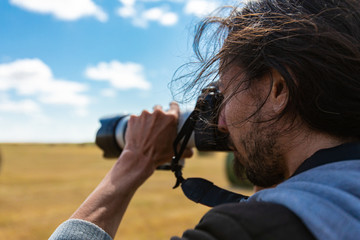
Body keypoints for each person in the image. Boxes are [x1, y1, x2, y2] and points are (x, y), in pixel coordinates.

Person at [49, 0, 360, 239]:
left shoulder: (247, 230)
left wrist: (133, 159)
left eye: (225, 94)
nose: (220, 124)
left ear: (278, 90)